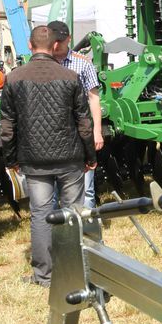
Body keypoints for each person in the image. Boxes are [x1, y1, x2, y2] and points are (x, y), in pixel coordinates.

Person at [0, 25, 96, 287]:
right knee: (73, 213)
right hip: (70, 159)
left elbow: (7, 125)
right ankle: (75, 271)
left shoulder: (14, 78)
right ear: (55, 46)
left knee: (40, 215)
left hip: (34, 160)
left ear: (30, 46)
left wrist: (11, 160)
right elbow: (84, 121)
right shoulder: (70, 76)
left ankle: (44, 275)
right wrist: (90, 155)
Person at [48, 20, 104, 208]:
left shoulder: (83, 64)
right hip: (51, 133)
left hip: (80, 132)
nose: (56, 45)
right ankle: (56, 233)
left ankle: (86, 232)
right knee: (52, 192)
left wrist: (97, 131)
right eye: (53, 41)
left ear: (69, 39)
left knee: (86, 189)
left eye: (60, 41)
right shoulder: (42, 65)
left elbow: (94, 98)